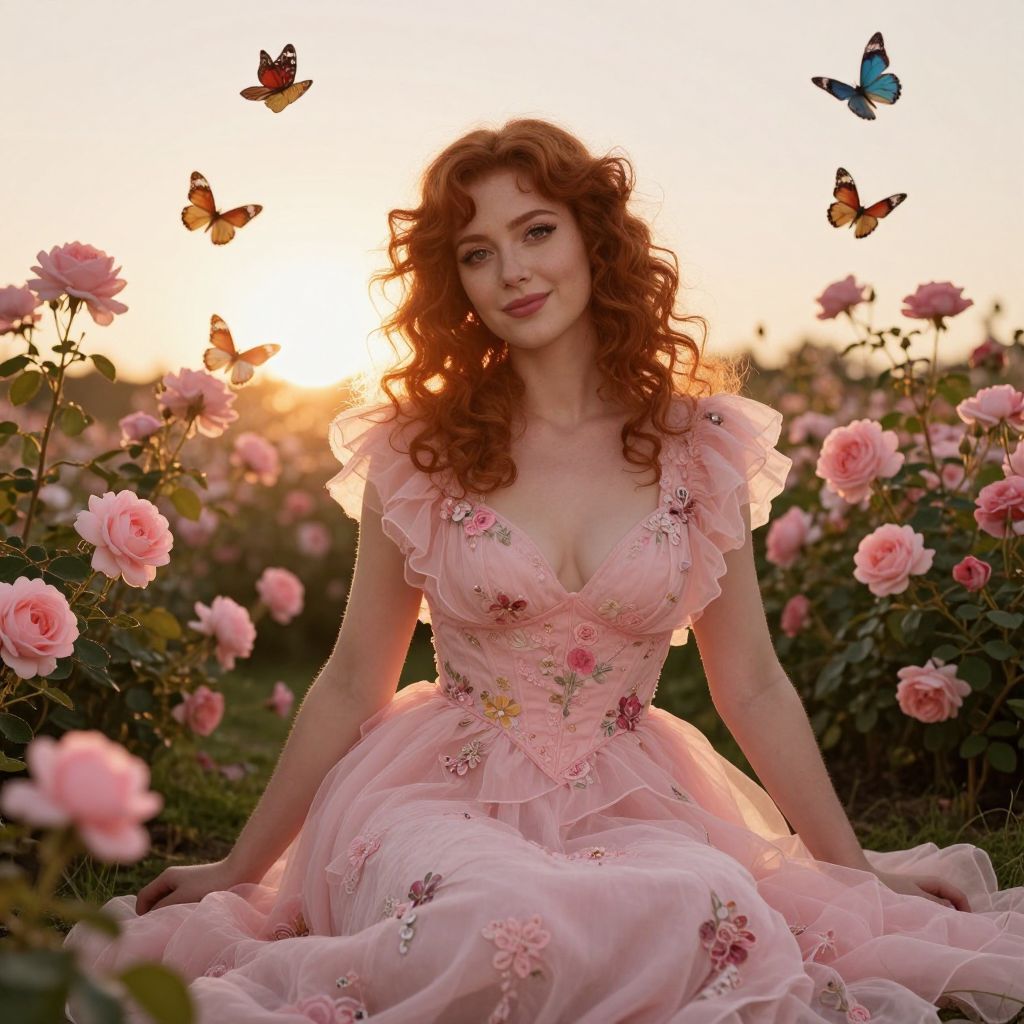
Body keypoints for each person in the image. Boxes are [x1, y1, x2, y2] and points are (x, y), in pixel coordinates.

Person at [65, 119, 1024, 1024]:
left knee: (699, 906)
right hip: (435, 788)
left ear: (593, 240)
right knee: (491, 919)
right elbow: (355, 674)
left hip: (630, 790)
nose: (512, 270)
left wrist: (854, 869)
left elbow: (754, 683)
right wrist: (239, 865)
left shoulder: (701, 448)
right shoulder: (423, 449)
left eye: (535, 231)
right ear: (457, 282)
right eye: (478, 252)